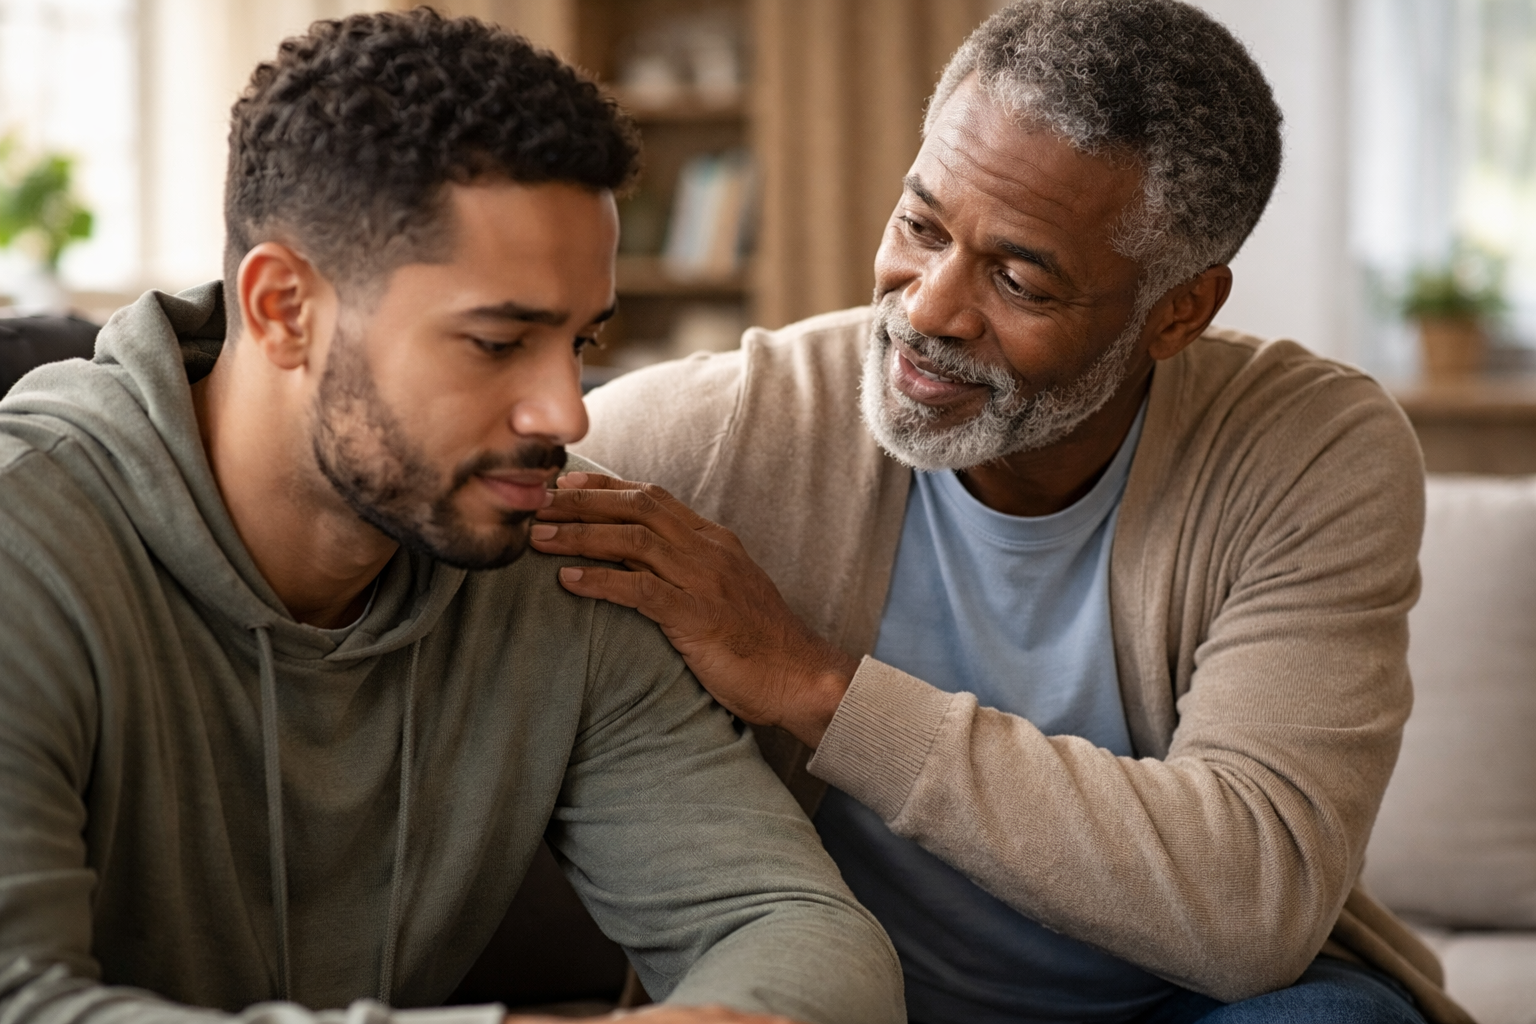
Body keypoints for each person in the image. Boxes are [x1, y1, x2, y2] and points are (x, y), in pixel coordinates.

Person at [535, 2, 1473, 1023]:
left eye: (1020, 278)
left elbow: (1249, 905)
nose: (929, 308)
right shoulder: (733, 427)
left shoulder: (1308, 447)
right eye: (919, 225)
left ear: (1178, 312)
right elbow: (453, 486)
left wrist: (815, 685)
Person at [0, 11, 905, 1024]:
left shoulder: (556, 550)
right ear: (283, 309)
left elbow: (804, 932)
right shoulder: (24, 543)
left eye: (581, 338)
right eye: (496, 342)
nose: (565, 412)